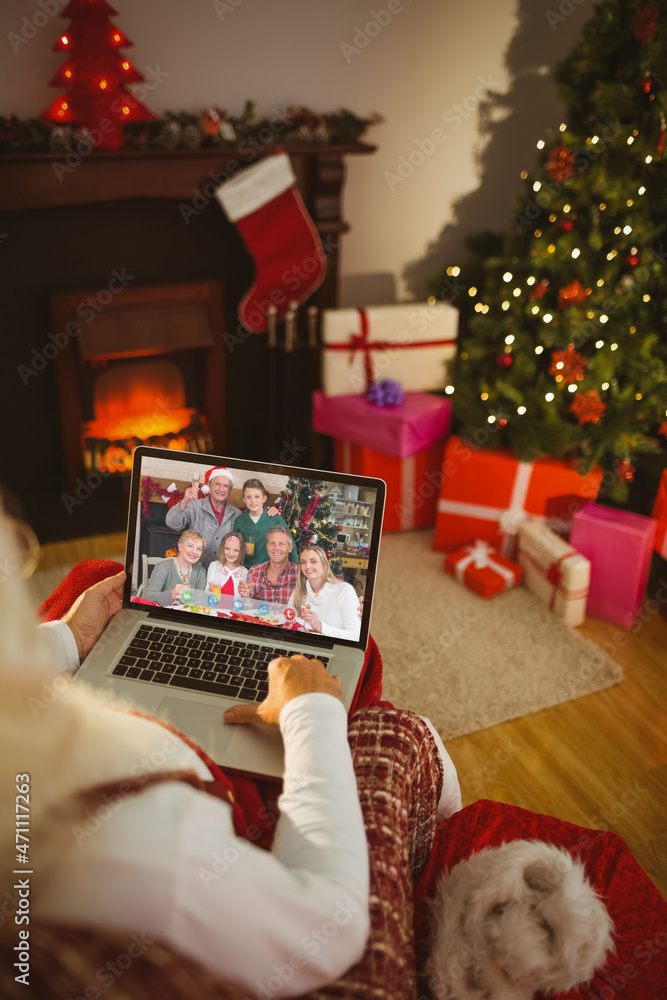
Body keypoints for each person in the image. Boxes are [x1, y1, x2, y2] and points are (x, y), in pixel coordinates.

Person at [165, 466, 240, 570]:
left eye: (226, 486)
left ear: (230, 490)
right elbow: (171, 523)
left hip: (220, 574)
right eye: (217, 484)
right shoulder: (194, 505)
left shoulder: (237, 514)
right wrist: (185, 501)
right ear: (209, 486)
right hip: (193, 570)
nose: (221, 489)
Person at [288, 544, 362, 641]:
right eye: (303, 562)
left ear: (324, 564)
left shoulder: (345, 590)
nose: (307, 566)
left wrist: (319, 627)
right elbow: (288, 620)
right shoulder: (299, 590)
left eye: (313, 561)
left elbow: (356, 635)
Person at [234, 477, 298, 568]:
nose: (253, 501)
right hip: (245, 569)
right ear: (244, 500)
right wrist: (239, 546)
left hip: (270, 571)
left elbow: (291, 546)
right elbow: (234, 545)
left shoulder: (276, 519)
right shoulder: (239, 521)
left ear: (264, 498)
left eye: (257, 496)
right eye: (248, 497)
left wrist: (296, 571)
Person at [238, 522, 299, 604]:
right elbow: (248, 610)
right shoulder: (254, 572)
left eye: (281, 544)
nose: (276, 548)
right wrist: (245, 598)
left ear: (290, 548)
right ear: (267, 546)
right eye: (272, 543)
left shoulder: (299, 575)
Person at [143, 529, 207, 606]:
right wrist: (172, 595)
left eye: (199, 549)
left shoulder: (201, 571)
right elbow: (147, 597)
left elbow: (202, 601)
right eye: (190, 546)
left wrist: (183, 606)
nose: (194, 552)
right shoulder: (163, 567)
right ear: (180, 546)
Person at [206, 531, 248, 599]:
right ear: (222, 548)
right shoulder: (214, 566)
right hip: (215, 608)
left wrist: (246, 594)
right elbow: (207, 591)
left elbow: (243, 598)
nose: (231, 553)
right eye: (227, 548)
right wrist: (211, 589)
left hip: (235, 609)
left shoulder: (244, 571)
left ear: (241, 552)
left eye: (236, 550)